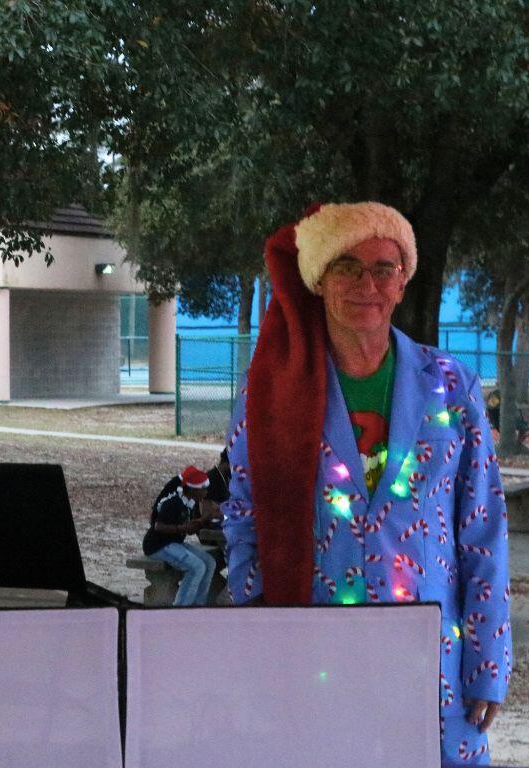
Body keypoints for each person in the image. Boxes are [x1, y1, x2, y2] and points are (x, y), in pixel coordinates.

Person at [221, 202, 510, 765]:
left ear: (403, 283)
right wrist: (256, 620)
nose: (366, 284)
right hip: (314, 650)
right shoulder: (272, 394)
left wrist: (488, 660)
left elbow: (484, 529)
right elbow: (244, 512)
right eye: (347, 267)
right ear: (319, 281)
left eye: (384, 268)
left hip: (433, 660)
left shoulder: (451, 385)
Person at [143, 465, 218, 606]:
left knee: (209, 562)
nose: (205, 492)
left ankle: (198, 604)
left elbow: (189, 529)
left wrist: (206, 518)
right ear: (191, 489)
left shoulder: (190, 502)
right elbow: (158, 526)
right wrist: (182, 528)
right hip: (158, 545)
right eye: (203, 489)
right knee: (196, 567)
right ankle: (181, 608)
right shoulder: (173, 502)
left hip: (174, 543)